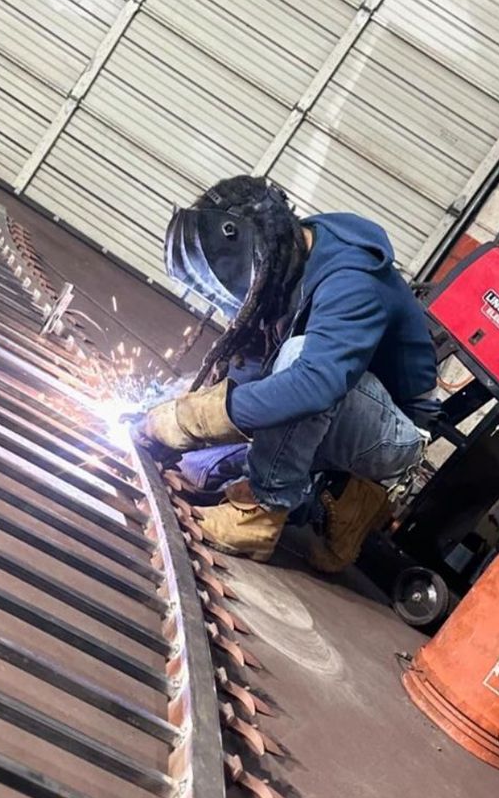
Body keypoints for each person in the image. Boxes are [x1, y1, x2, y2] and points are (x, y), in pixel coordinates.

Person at [139, 175, 438, 569]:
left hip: (390, 437)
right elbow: (252, 374)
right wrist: (175, 411)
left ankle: (261, 515)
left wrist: (194, 419)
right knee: (201, 471)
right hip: (334, 415)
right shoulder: (287, 264)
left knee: (301, 364)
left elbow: (315, 385)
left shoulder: (351, 278)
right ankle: (336, 501)